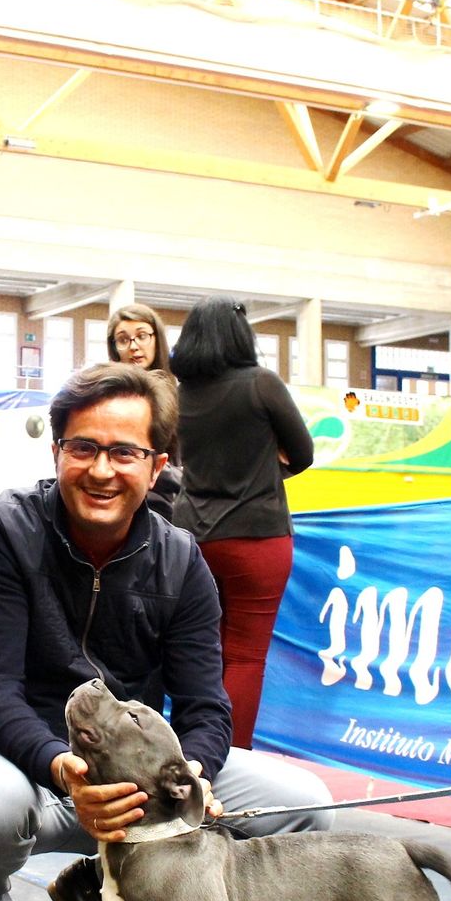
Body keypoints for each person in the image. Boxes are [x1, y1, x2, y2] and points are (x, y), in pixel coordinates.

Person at [0, 363, 335, 901]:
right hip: (22, 763)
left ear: (156, 466)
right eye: (84, 448)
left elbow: (206, 706)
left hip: (136, 786)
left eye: (124, 452)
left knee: (306, 807)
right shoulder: (3, 532)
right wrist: (65, 771)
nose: (101, 470)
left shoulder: (182, 560)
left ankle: (99, 885)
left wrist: (192, 778)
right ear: (57, 451)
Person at [170, 296, 314, 750]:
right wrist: (271, 473)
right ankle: (229, 761)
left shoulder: (179, 394)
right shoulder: (261, 385)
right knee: (245, 657)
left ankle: (188, 752)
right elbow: (305, 453)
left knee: (202, 653)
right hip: (257, 537)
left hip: (192, 535)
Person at [106, 303, 183, 518]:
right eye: (123, 339)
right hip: (120, 500)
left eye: (142, 336)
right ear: (114, 347)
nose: (133, 346)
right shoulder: (107, 397)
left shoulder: (178, 395)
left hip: (167, 506)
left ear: (156, 338)